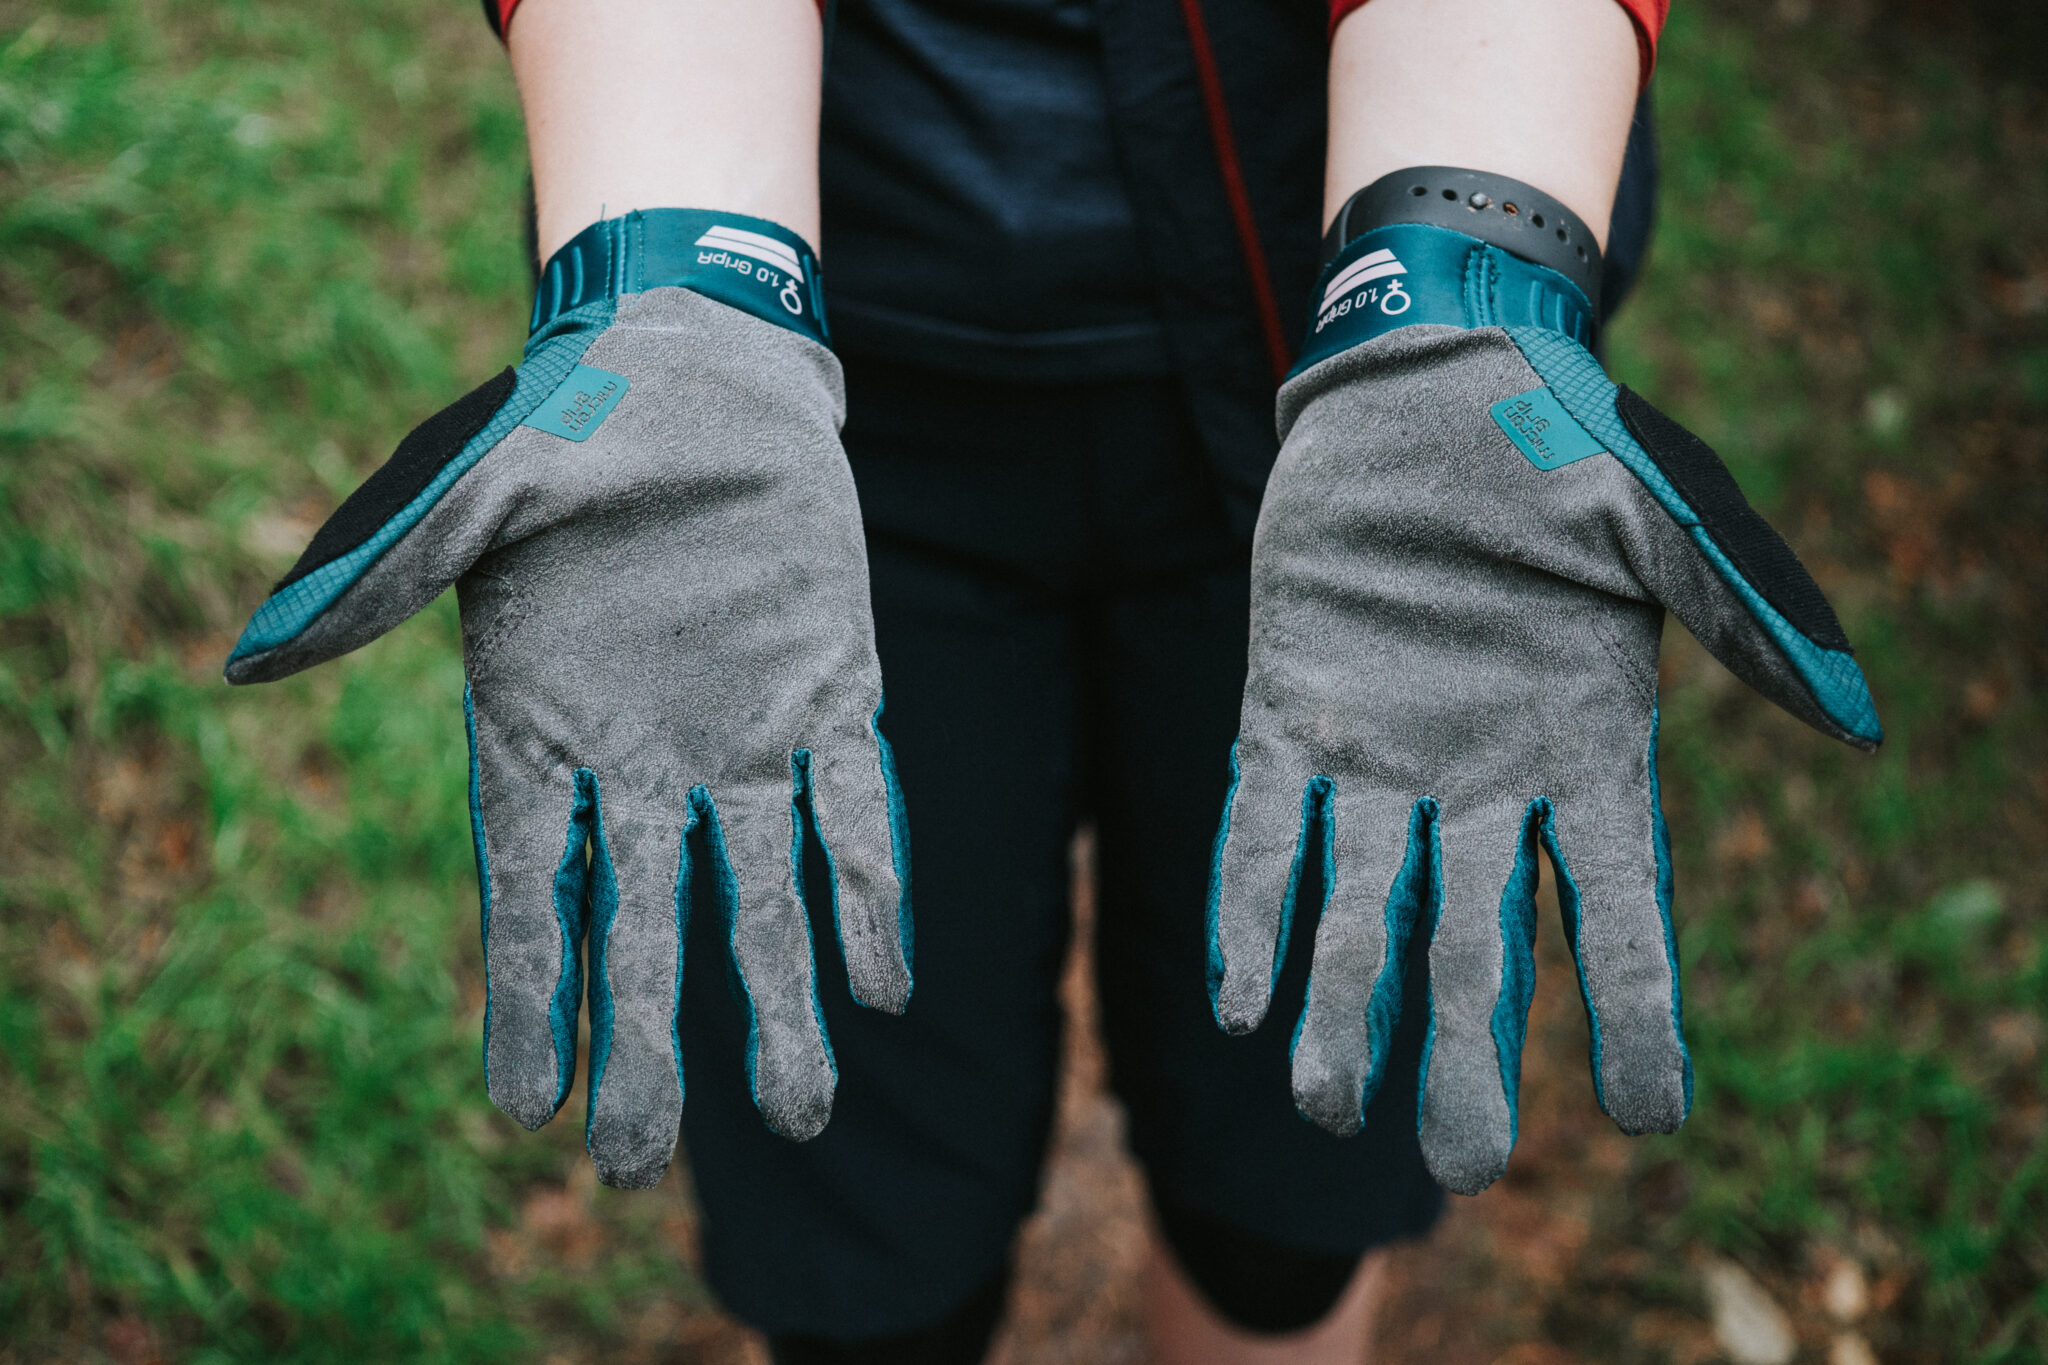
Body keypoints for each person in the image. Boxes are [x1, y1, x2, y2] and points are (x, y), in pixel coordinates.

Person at [226, 0, 1885, 1359]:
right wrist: (681, 289)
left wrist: (1461, 277)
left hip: (1349, 366)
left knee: (1284, 1208)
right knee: (863, 1270)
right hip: (815, 398)